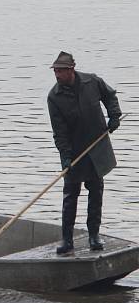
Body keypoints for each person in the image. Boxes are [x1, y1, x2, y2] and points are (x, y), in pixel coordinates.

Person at [47, 51, 121, 254]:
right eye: (55, 71)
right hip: (74, 150)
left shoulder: (92, 81)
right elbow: (59, 132)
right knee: (70, 194)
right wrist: (65, 156)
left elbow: (110, 95)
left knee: (95, 192)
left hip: (96, 146)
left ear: (71, 70)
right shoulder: (54, 97)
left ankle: (93, 236)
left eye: (61, 71)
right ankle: (67, 239)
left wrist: (114, 115)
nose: (57, 75)